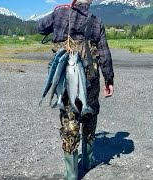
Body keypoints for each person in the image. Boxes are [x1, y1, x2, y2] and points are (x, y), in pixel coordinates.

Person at [38, 0, 114, 179]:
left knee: (69, 120)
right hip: (91, 82)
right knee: (90, 115)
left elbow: (40, 28)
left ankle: (71, 174)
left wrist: (57, 14)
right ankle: (88, 160)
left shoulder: (60, 14)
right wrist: (109, 79)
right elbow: (104, 53)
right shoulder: (96, 22)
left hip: (65, 83)